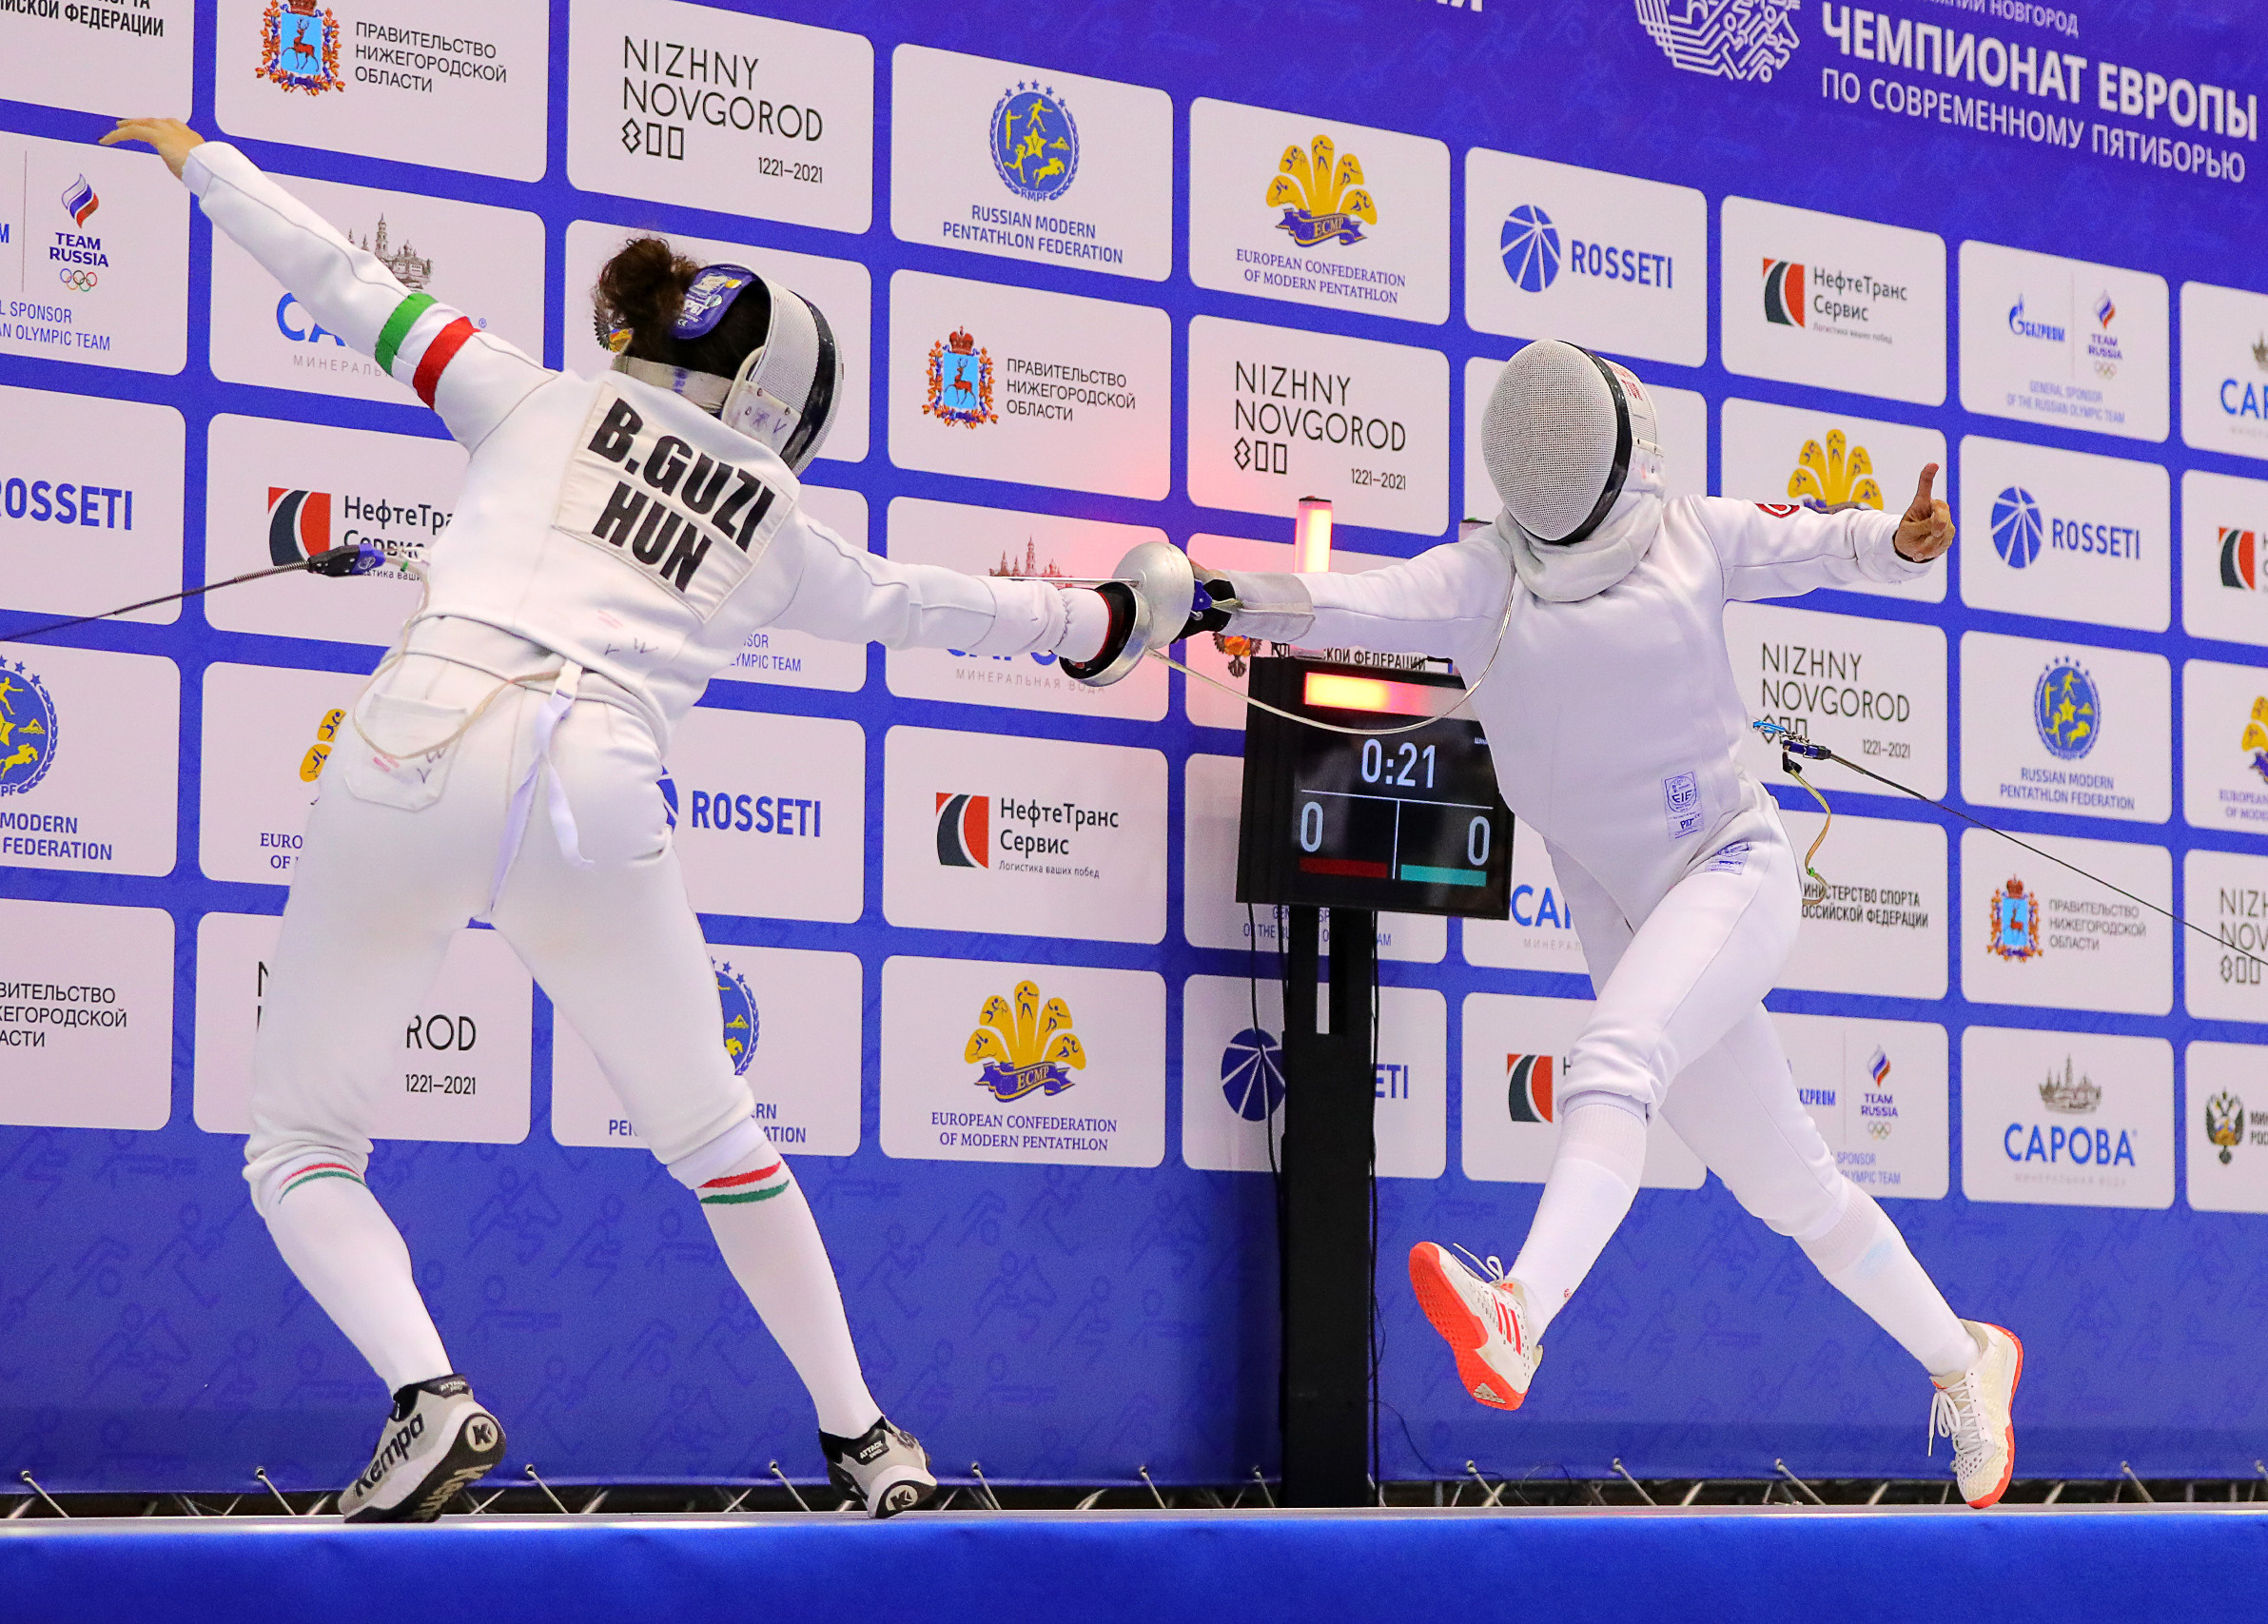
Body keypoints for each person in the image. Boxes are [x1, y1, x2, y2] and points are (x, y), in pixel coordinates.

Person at [100, 118, 1144, 1521]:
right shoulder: (775, 516)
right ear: (780, 407)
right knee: (718, 1138)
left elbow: (351, 283)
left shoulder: (523, 398)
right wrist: (1107, 621)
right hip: (595, 785)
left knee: (299, 1143)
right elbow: (941, 602)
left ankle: (431, 1398)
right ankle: (869, 1440)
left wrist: (201, 160)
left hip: (417, 729)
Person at [1182, 340, 2023, 1507]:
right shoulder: (1491, 577)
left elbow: (1827, 539)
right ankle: (1965, 1358)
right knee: (1794, 1189)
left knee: (1611, 1063)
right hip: (1629, 916)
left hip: (1730, 869)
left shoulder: (1693, 531)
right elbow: (1349, 600)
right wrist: (1221, 599)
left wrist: (1900, 538)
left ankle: (1518, 1310)